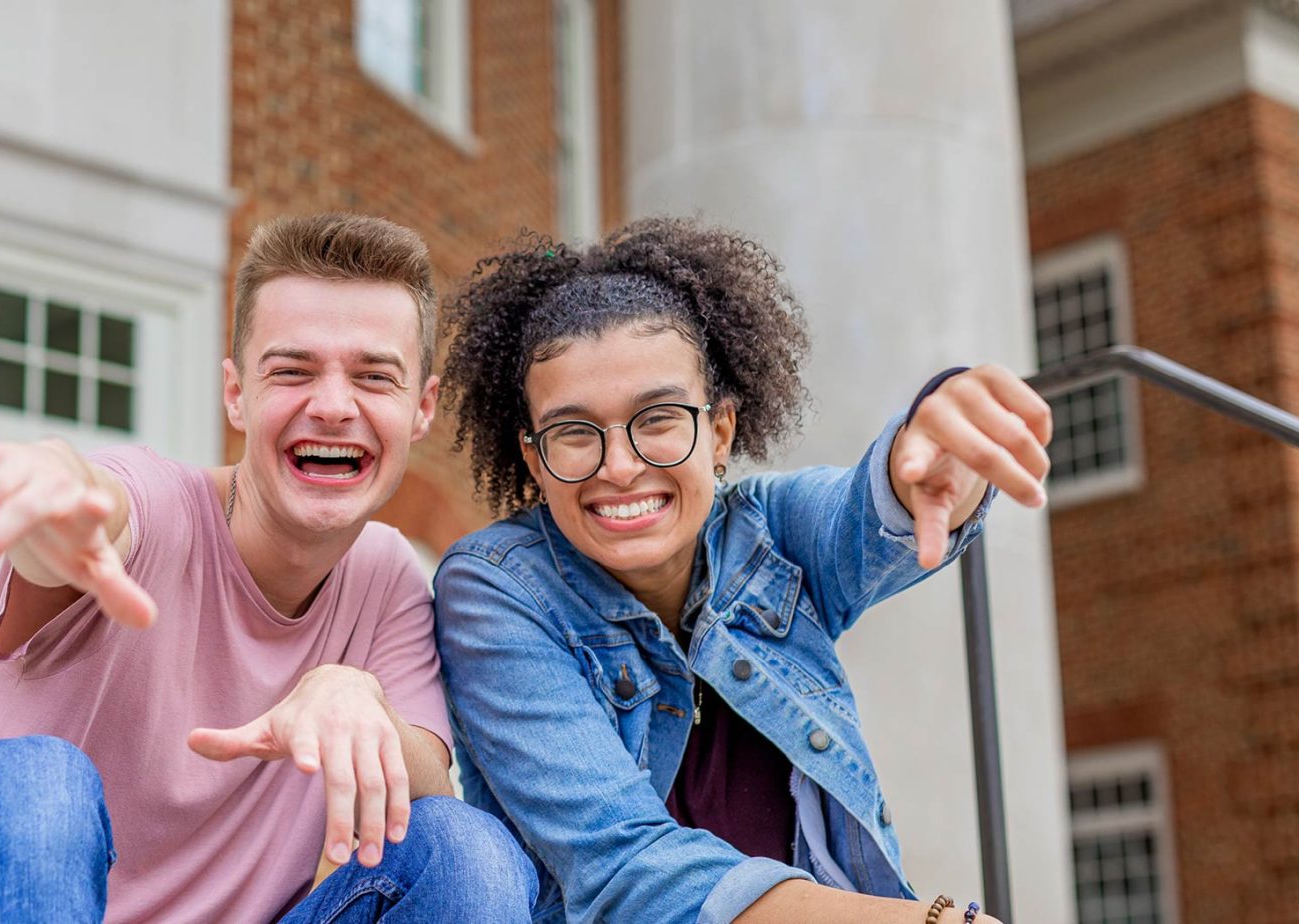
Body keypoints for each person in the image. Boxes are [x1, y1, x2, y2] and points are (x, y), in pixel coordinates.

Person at [0, 213, 536, 923]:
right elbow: (103, 503)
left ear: (421, 408)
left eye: (373, 377)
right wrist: (60, 495)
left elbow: (431, 810)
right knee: (35, 782)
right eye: (291, 371)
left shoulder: (387, 576)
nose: (331, 406)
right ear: (236, 393)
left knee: (467, 850)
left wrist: (359, 700)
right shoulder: (156, 511)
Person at [433, 217, 1051, 923]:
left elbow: (869, 512)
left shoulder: (771, 533)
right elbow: (625, 867)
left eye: (658, 417)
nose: (621, 467)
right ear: (535, 457)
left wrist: (935, 456)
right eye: (575, 433)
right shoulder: (495, 590)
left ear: (719, 431)